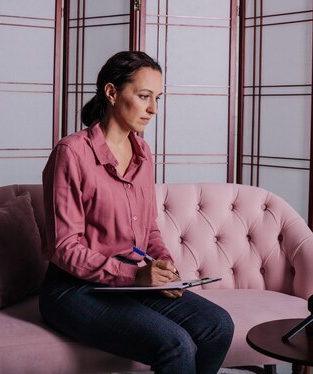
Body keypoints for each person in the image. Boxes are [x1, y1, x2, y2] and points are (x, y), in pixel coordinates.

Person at [40, 51, 234, 374]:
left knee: (219, 326)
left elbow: (149, 227)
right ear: (112, 93)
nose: (153, 109)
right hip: (73, 289)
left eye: (157, 98)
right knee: (176, 344)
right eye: (144, 96)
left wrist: (164, 266)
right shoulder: (71, 154)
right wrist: (134, 275)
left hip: (131, 282)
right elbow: (64, 248)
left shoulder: (142, 151)